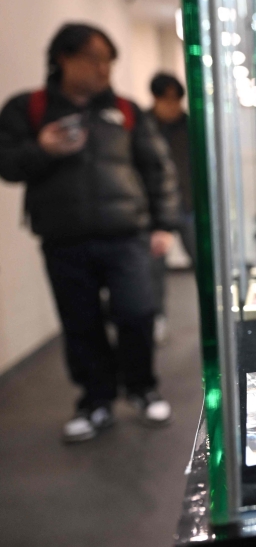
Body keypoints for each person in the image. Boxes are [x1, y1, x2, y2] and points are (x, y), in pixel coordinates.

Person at [0, 23, 180, 442]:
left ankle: (141, 388)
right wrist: (41, 149)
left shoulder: (127, 110)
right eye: (94, 59)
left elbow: (157, 169)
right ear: (64, 58)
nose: (103, 69)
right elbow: (7, 164)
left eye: (108, 61)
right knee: (81, 323)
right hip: (64, 238)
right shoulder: (29, 108)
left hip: (127, 234)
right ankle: (96, 402)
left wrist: (163, 224)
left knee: (137, 313)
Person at [148, 72, 195, 342]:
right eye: (164, 100)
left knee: (202, 263)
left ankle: (213, 316)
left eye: (174, 100)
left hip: (188, 206)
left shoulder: (191, 126)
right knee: (154, 271)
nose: (170, 105)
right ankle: (157, 317)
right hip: (156, 212)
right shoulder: (143, 126)